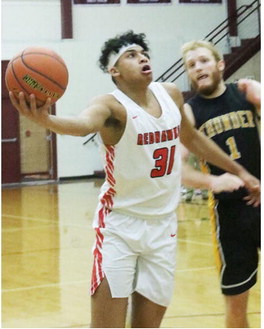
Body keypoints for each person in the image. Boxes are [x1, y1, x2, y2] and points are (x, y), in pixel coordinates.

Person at [9, 31, 260, 328]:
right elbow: (82, 124)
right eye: (130, 55)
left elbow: (193, 139)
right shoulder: (110, 106)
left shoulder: (170, 94)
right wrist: (46, 120)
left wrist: (240, 171)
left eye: (143, 52)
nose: (142, 57)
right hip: (120, 228)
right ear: (113, 71)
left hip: (163, 228)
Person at [181, 39, 261, 328]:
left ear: (220, 64)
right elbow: (177, 170)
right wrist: (213, 180)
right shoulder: (189, 112)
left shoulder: (245, 92)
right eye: (191, 65)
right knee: (236, 305)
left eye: (203, 60)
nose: (198, 67)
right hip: (230, 217)